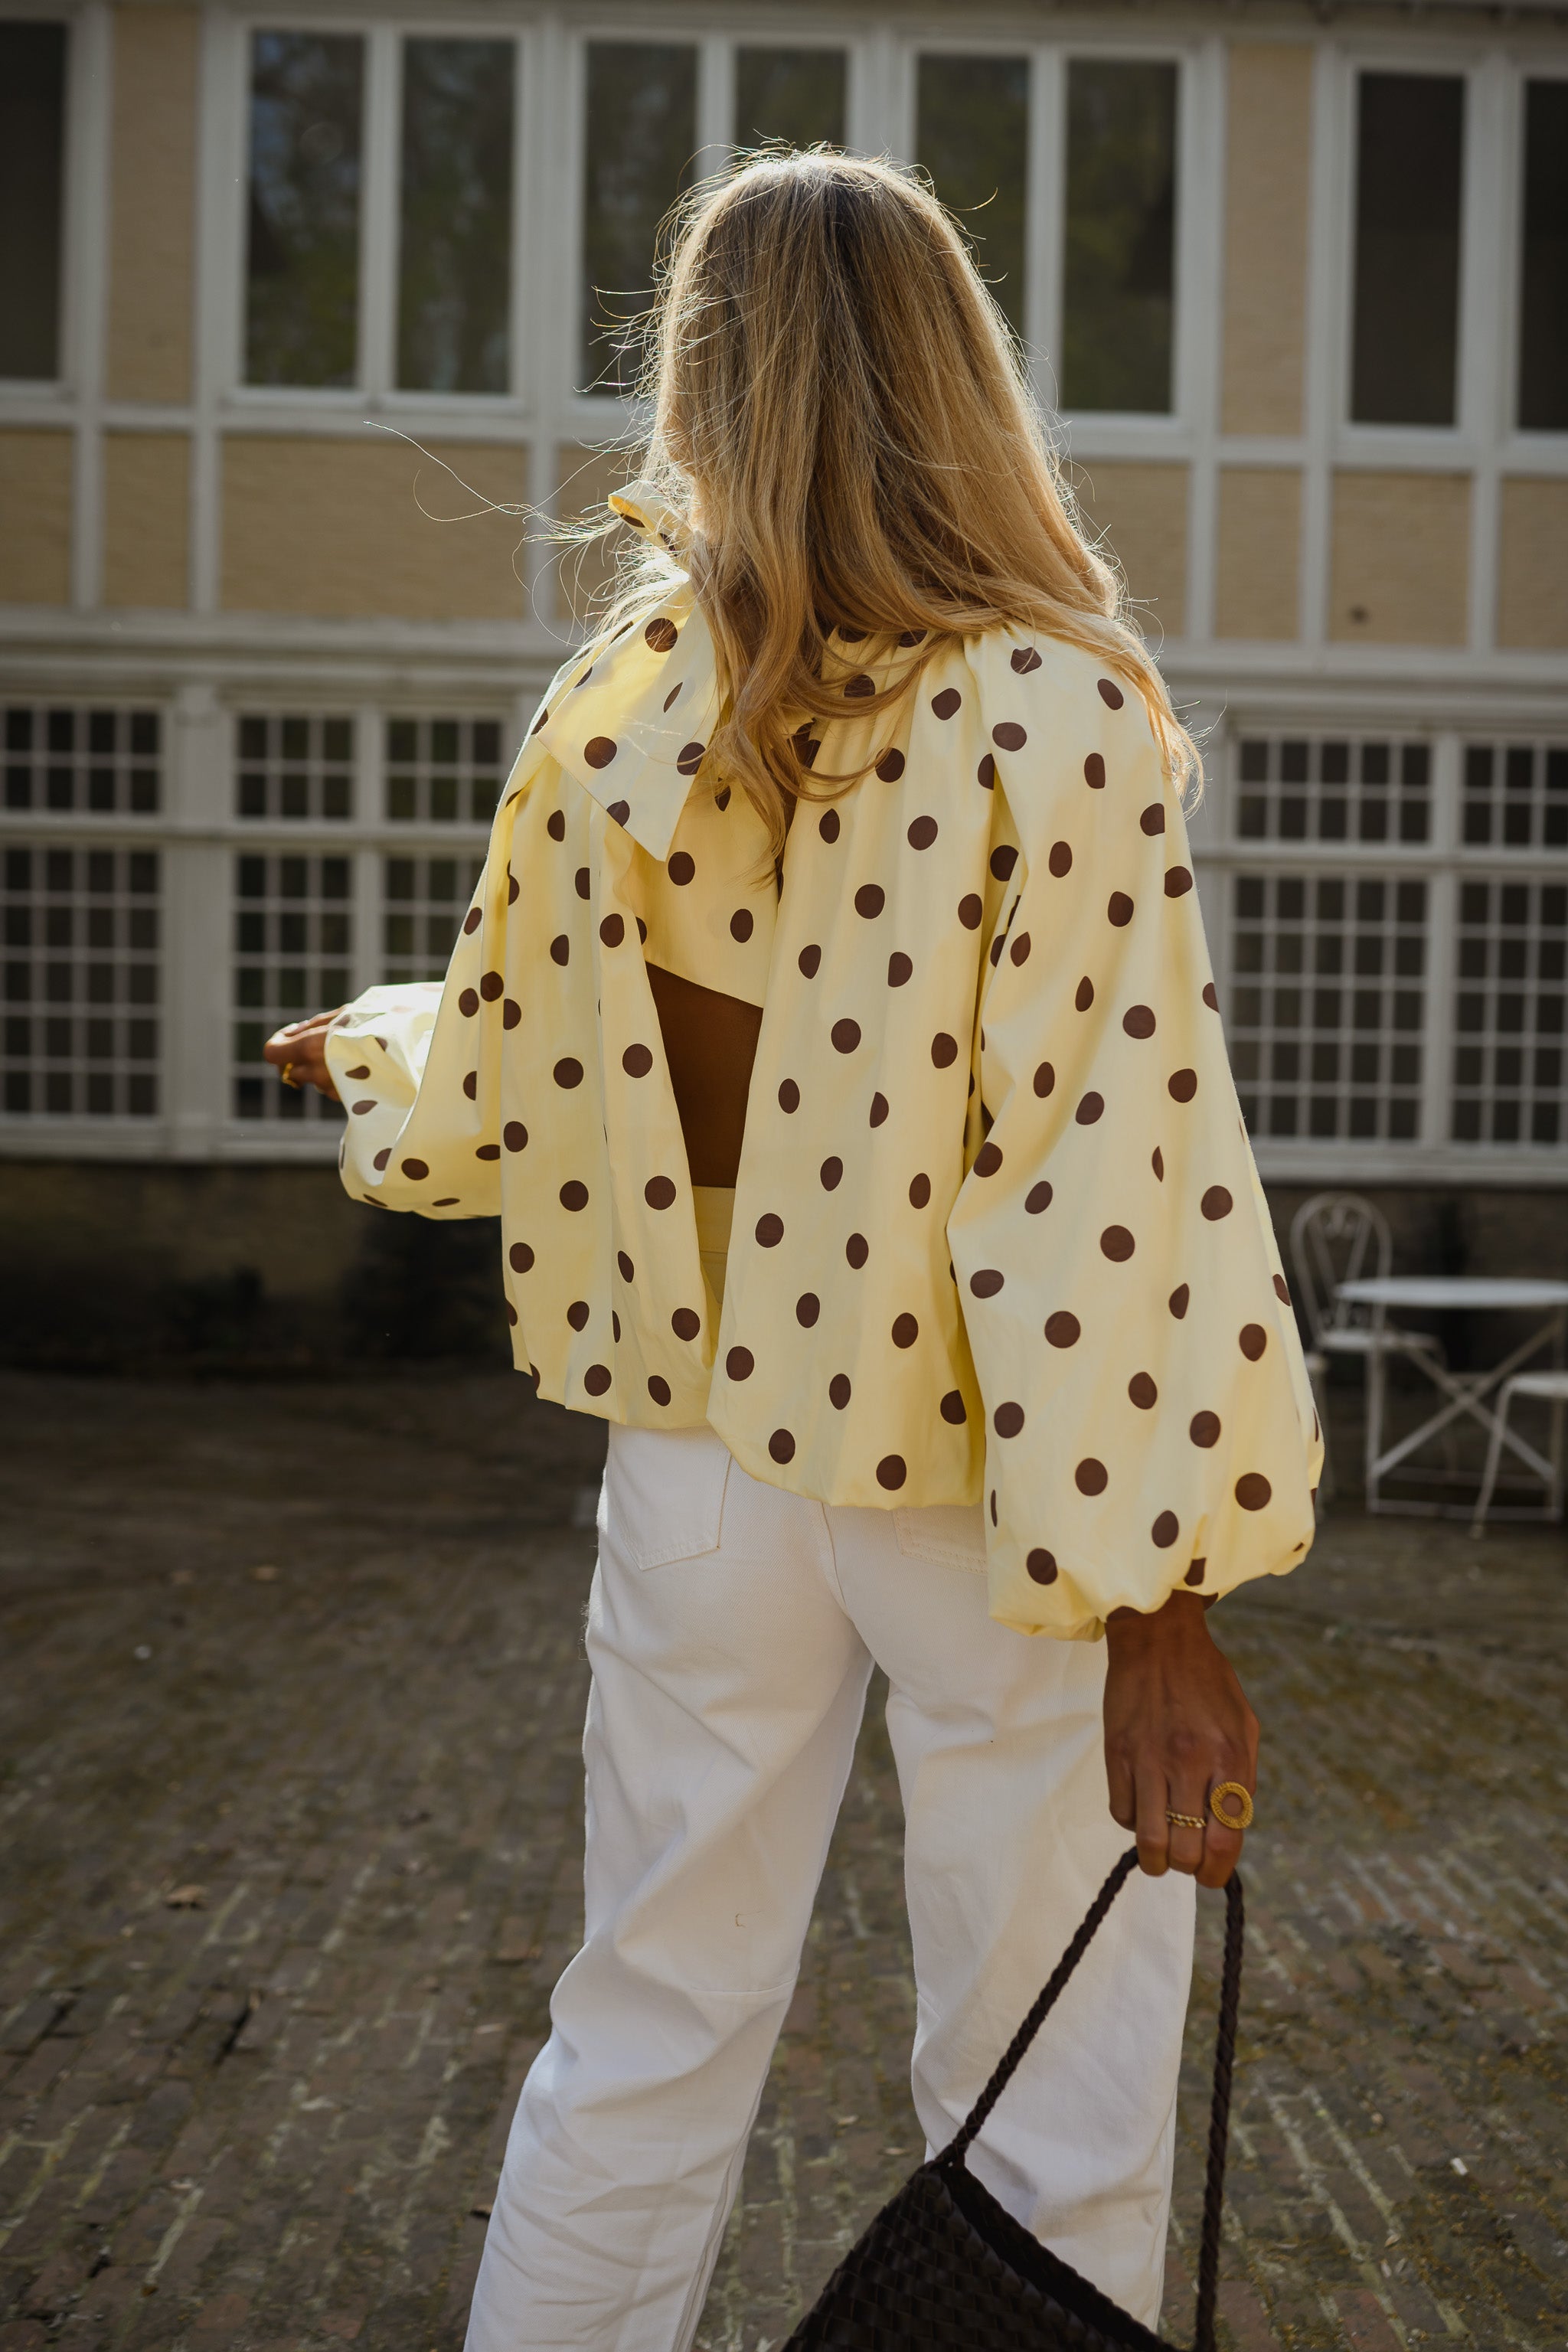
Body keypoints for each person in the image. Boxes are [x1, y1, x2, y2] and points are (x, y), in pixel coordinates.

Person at [266, 151, 1320, 2352]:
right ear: (961, 380)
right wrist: (1169, 1606)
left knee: (643, 2029)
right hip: (985, 1493)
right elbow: (1111, 1176)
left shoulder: (619, 710)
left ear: (709, 387)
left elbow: (505, 1063)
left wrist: (366, 1059)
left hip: (705, 1472)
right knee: (1056, 2088)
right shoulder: (1058, 711)